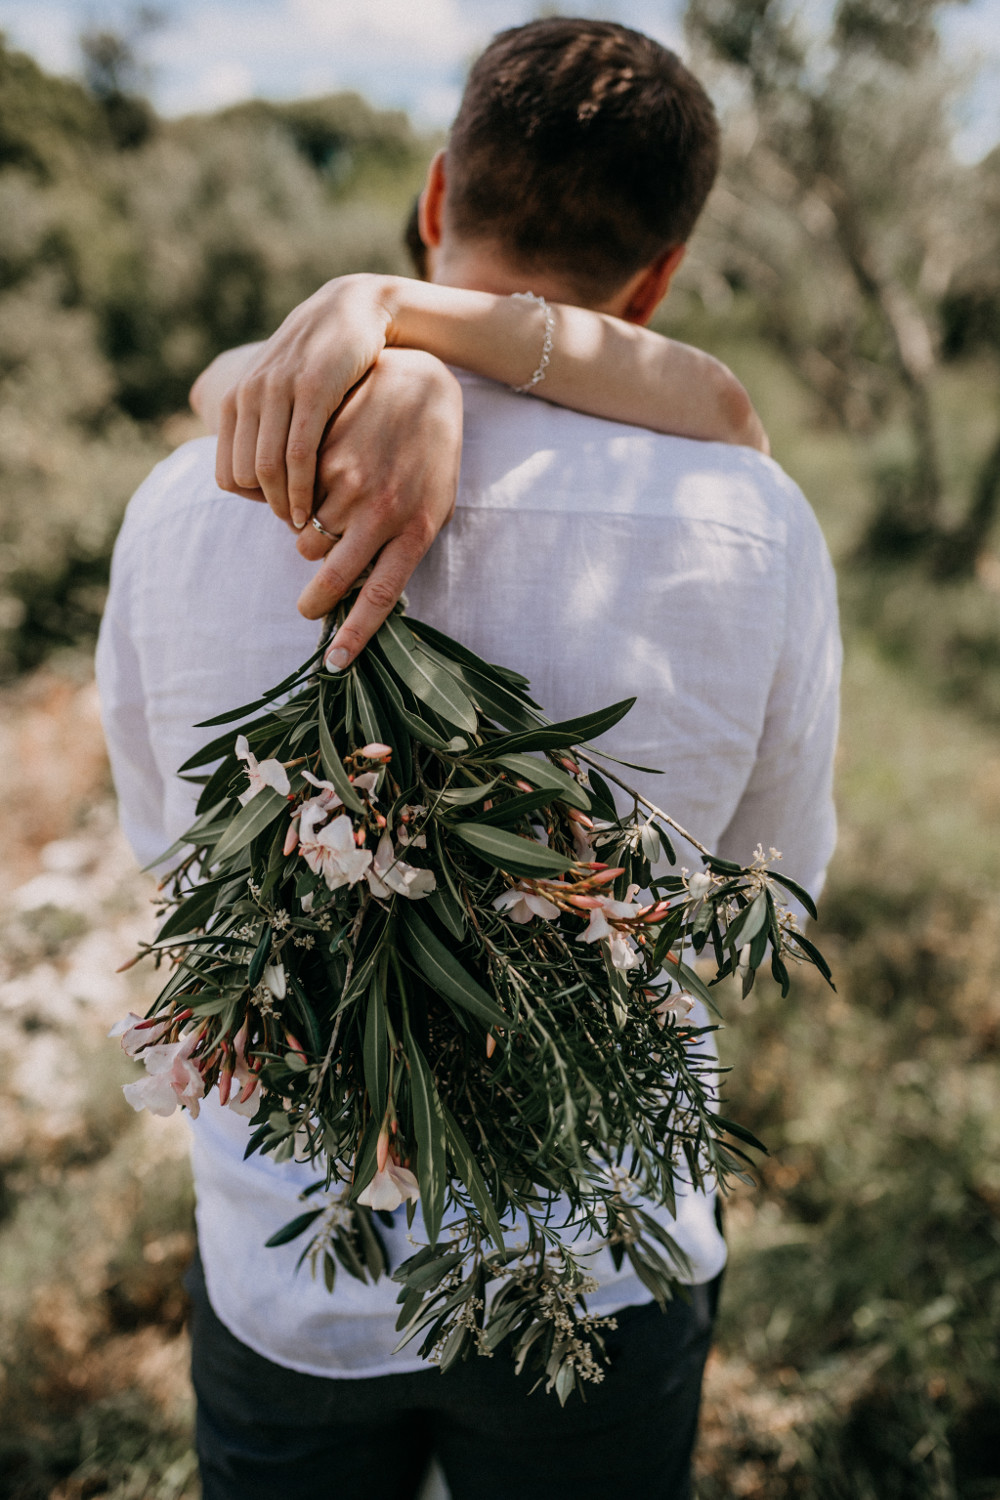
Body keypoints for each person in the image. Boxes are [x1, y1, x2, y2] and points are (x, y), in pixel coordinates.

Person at [96, 19, 841, 1500]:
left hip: (288, 1268)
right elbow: (769, 891)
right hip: (604, 1254)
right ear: (664, 274)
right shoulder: (757, 524)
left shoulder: (186, 505)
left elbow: (166, 846)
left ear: (438, 197)